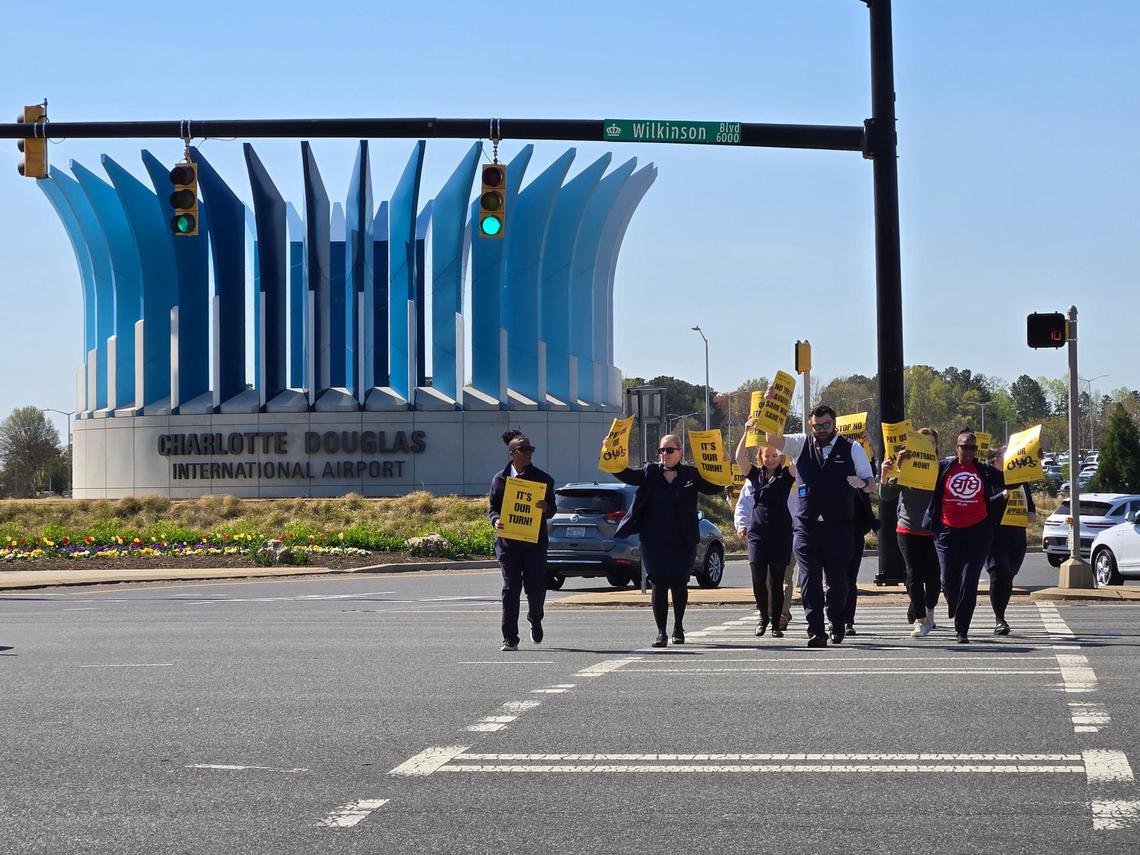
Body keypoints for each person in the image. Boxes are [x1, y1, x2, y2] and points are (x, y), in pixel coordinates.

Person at [765, 402, 874, 648]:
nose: (822, 429)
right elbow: (771, 437)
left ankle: (836, 621)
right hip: (806, 526)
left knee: (838, 583)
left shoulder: (852, 448)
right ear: (810, 425)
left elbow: (871, 484)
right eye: (817, 426)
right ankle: (815, 630)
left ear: (834, 423)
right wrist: (771, 406)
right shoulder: (800, 444)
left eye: (826, 425)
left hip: (840, 527)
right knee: (809, 580)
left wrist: (861, 484)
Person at [612, 433, 724, 647]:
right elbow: (623, 474)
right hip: (654, 540)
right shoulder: (649, 472)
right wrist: (610, 453)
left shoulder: (691, 475)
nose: (665, 454)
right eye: (661, 450)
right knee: (659, 584)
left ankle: (678, 628)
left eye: (669, 450)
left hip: (684, 540)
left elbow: (716, 487)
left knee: (680, 584)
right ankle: (661, 633)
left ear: (680, 452)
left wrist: (723, 464)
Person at [922, 427, 1007, 644]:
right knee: (948, 580)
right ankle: (955, 604)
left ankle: (962, 630)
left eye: (973, 447)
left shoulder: (984, 470)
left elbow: (1010, 479)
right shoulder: (944, 467)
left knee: (969, 581)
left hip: (977, 531)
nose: (969, 451)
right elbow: (917, 473)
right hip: (947, 530)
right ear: (957, 447)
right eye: (965, 447)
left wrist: (1027, 465)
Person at [488, 430, 556, 652]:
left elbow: (552, 509)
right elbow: (493, 509)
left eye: (530, 449)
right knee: (511, 588)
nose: (528, 453)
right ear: (512, 453)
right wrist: (496, 520)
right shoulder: (499, 480)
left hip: (534, 544)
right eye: (523, 450)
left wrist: (546, 509)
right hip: (508, 544)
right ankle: (510, 638)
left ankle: (535, 619)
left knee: (535, 590)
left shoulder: (543, 480)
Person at [734, 421, 795, 639]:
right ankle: (763, 618)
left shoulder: (787, 475)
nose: (770, 459)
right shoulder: (755, 475)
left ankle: (776, 624)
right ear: (761, 457)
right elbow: (739, 459)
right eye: (766, 456)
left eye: (775, 455)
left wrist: (783, 441)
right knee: (758, 580)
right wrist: (746, 432)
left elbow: (799, 459)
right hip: (758, 532)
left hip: (781, 532)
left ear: (780, 457)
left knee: (777, 580)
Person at [880, 427, 941, 637]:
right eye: (922, 441)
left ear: (935, 447)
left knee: (934, 578)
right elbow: (887, 495)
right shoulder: (905, 466)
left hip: (933, 531)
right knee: (914, 575)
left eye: (930, 441)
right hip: (907, 528)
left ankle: (929, 609)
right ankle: (920, 619)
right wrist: (888, 471)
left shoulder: (941, 469)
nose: (927, 444)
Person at [985, 445, 1037, 635]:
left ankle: (1002, 613)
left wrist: (1032, 513)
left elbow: (1029, 504)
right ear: (997, 458)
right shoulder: (988, 477)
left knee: (1008, 576)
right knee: (998, 573)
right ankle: (1000, 619)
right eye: (1007, 454)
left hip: (1016, 535)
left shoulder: (1021, 479)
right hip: (994, 534)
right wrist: (1002, 495)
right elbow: (985, 505)